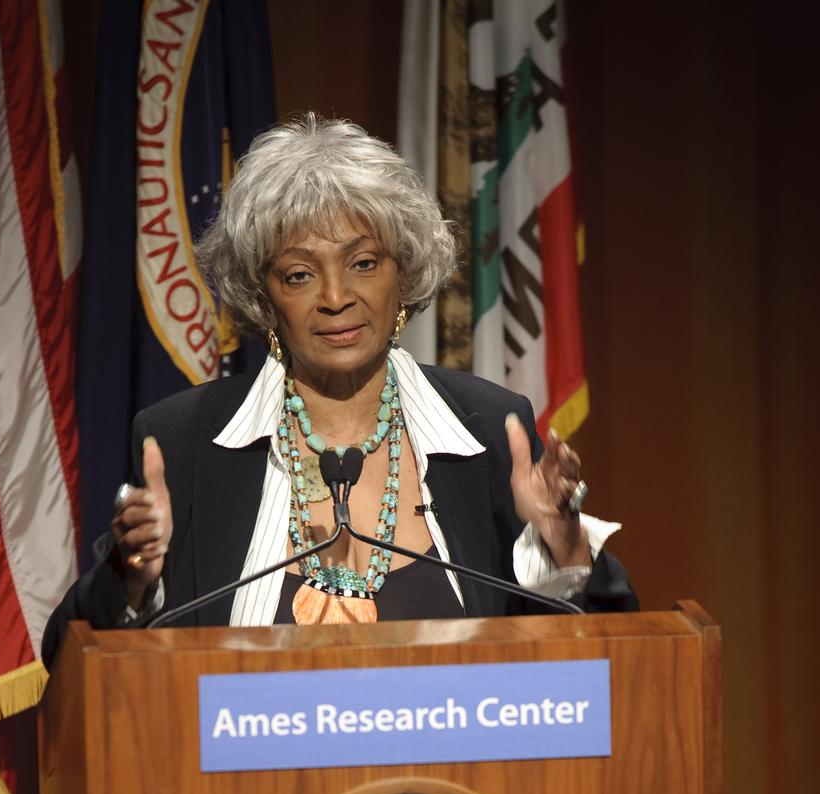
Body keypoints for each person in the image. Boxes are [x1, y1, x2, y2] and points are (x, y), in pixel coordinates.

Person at [43, 115, 634, 666]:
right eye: (299, 274)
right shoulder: (184, 440)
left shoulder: (487, 430)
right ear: (263, 295)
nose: (334, 296)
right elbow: (66, 656)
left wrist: (564, 548)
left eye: (363, 263)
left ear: (401, 274)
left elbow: (610, 649)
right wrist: (134, 578)